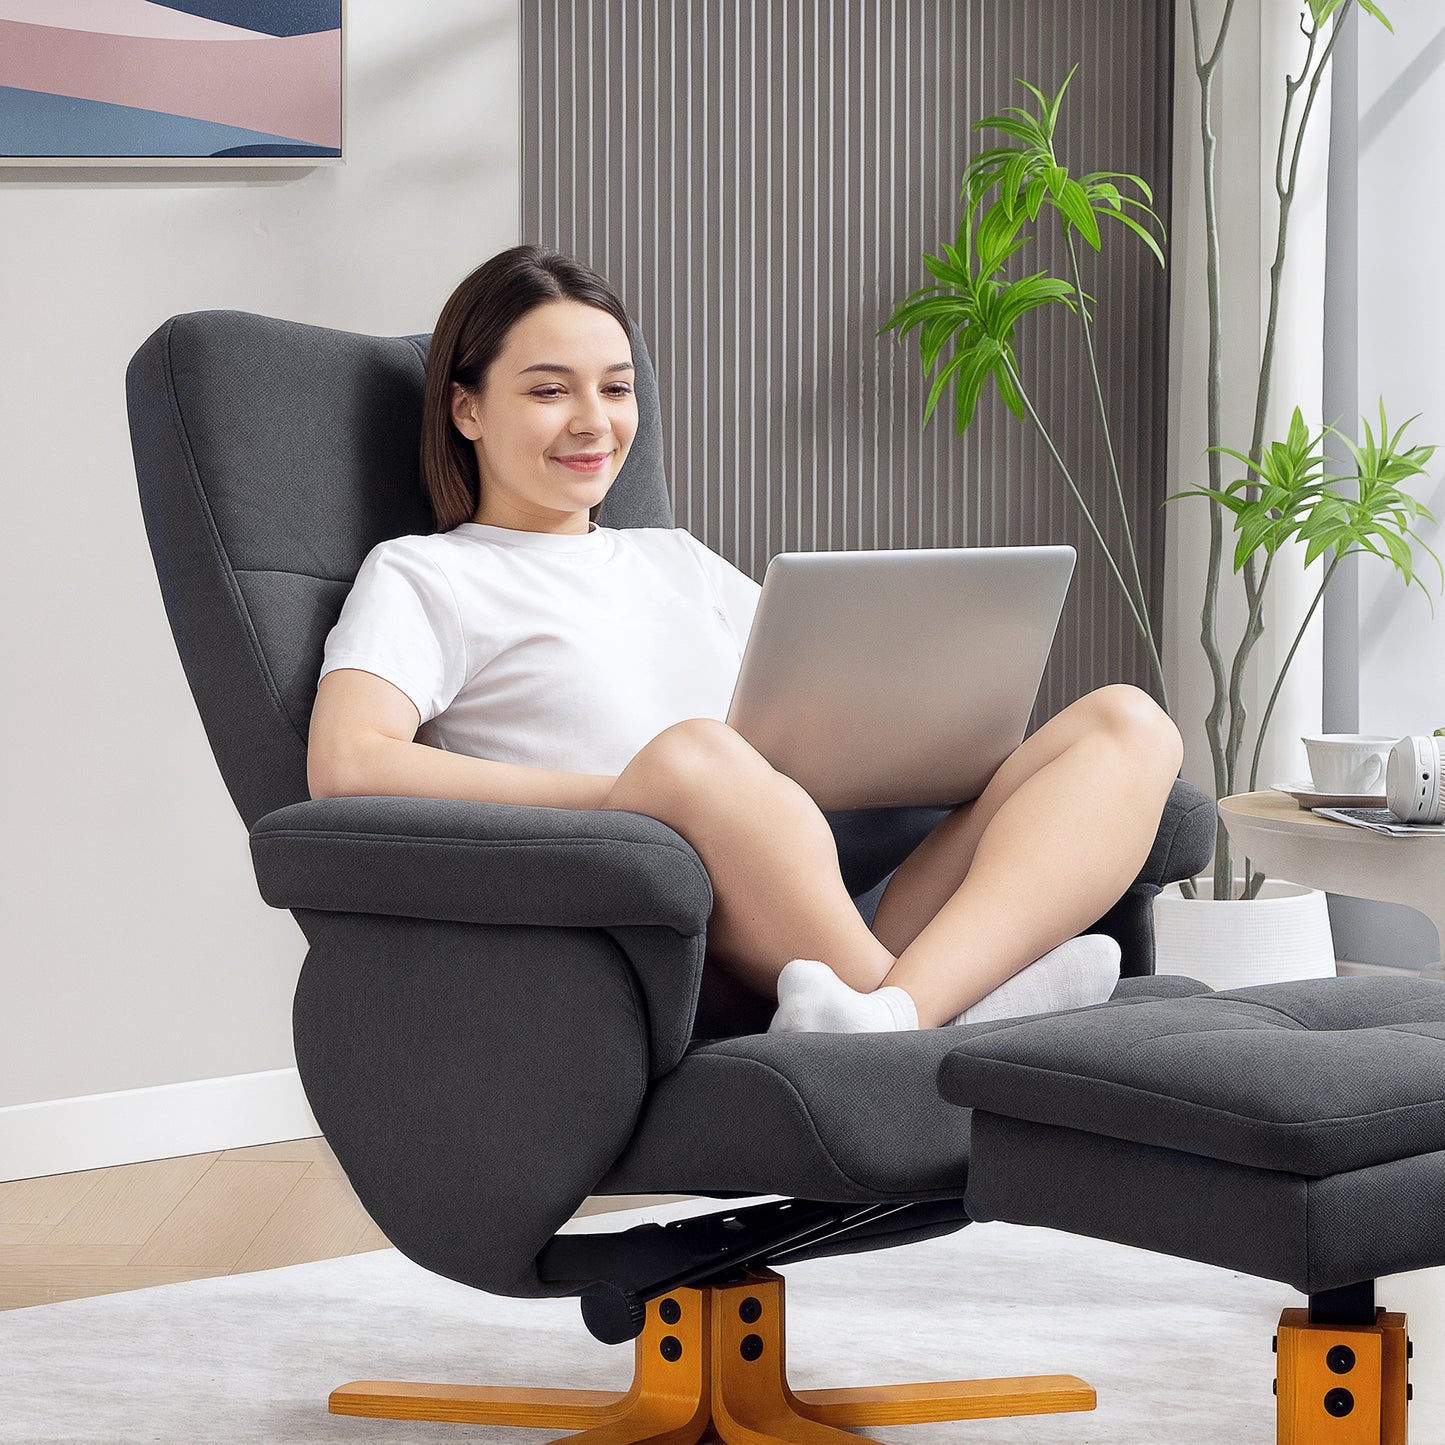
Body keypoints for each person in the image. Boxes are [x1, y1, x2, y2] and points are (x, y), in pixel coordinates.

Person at [307, 245, 1185, 1034]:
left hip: (830, 908)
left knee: (1126, 722)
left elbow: (808, 701)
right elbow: (347, 763)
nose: (592, 422)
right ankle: (940, 1011)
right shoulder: (428, 573)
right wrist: (631, 793)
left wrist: (932, 726)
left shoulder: (673, 559)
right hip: (673, 937)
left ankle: (892, 1010)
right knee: (697, 755)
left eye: (615, 388)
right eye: (548, 389)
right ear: (466, 410)